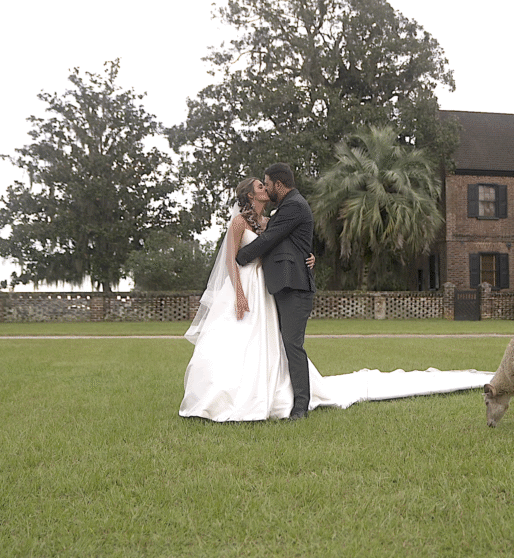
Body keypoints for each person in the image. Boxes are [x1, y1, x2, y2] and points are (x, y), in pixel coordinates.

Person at [180, 173, 493, 423]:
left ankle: (267, 394)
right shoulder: (239, 223)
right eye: (260, 186)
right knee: (239, 340)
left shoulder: (266, 222)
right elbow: (230, 260)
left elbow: (281, 244)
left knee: (267, 343)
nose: (264, 188)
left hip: (266, 288)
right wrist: (238, 293)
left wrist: (307, 255)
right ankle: (226, 394)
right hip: (245, 288)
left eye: (266, 183)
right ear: (251, 194)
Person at [235, 163, 316, 420]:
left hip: (295, 286)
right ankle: (283, 395)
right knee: (280, 344)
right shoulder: (288, 205)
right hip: (283, 283)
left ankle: (301, 407)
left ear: (278, 185)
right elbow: (292, 240)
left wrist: (241, 257)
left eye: (267, 183)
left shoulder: (293, 205)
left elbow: (270, 239)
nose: (266, 188)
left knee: (292, 344)